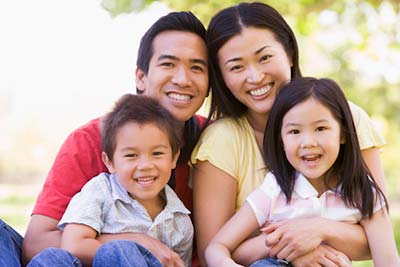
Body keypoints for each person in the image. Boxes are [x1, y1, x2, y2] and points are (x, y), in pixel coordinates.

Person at [190, 2, 386, 266]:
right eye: (236, 67)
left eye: (265, 57)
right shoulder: (223, 141)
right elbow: (211, 252)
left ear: (290, 53)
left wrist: (318, 229)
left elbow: (375, 236)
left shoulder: (346, 119)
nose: (255, 76)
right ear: (222, 77)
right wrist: (290, 243)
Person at [22, 11, 209, 267]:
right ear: (141, 77)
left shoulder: (213, 141)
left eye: (196, 67)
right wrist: (133, 242)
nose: (183, 79)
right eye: (168, 64)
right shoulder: (88, 140)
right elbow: (36, 244)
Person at [204, 77, 399, 267]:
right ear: (281, 140)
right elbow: (218, 247)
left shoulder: (364, 193)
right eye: (295, 132)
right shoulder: (275, 189)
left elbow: (388, 260)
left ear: (342, 134)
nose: (308, 142)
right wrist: (284, 244)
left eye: (321, 128)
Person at [28, 94, 193, 267]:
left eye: (157, 153)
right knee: (54, 258)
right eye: (131, 155)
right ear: (109, 162)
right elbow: (73, 245)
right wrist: (130, 246)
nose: (145, 165)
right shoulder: (100, 192)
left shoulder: (180, 222)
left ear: (174, 158)